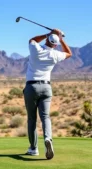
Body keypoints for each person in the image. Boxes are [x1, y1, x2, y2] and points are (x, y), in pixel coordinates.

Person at [23, 29, 72, 160]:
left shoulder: (36, 49)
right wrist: (60, 38)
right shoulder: (55, 55)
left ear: (46, 40)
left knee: (32, 119)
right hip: (46, 87)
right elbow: (68, 53)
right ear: (55, 45)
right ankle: (48, 139)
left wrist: (49, 33)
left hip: (31, 87)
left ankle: (33, 148)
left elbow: (32, 40)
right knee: (45, 117)